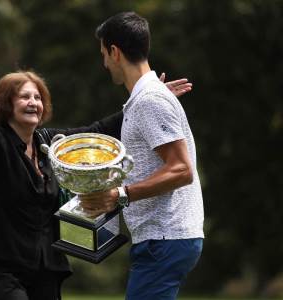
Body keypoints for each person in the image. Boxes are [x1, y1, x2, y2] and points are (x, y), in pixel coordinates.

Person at [0, 61, 192, 299]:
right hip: (2, 261)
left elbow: (98, 130)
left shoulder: (50, 142)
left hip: (45, 263)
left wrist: (146, 103)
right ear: (6, 103)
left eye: (38, 97)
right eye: (25, 97)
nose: (33, 103)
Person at [79, 12, 204, 300]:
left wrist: (121, 194)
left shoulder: (150, 100)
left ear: (115, 52)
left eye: (104, 54)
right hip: (163, 239)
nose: (104, 64)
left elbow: (182, 170)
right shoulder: (145, 98)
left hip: (165, 238)